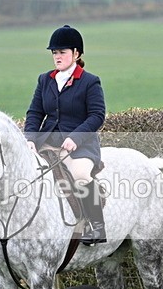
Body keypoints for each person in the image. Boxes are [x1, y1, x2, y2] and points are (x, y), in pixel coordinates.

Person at [24, 25, 107, 245]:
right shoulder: (45, 80)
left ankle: (97, 226)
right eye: (54, 53)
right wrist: (30, 139)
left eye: (62, 52)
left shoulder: (90, 81)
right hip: (47, 141)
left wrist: (76, 137)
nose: (57, 57)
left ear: (76, 54)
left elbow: (97, 116)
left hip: (80, 144)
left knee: (80, 175)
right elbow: (35, 112)